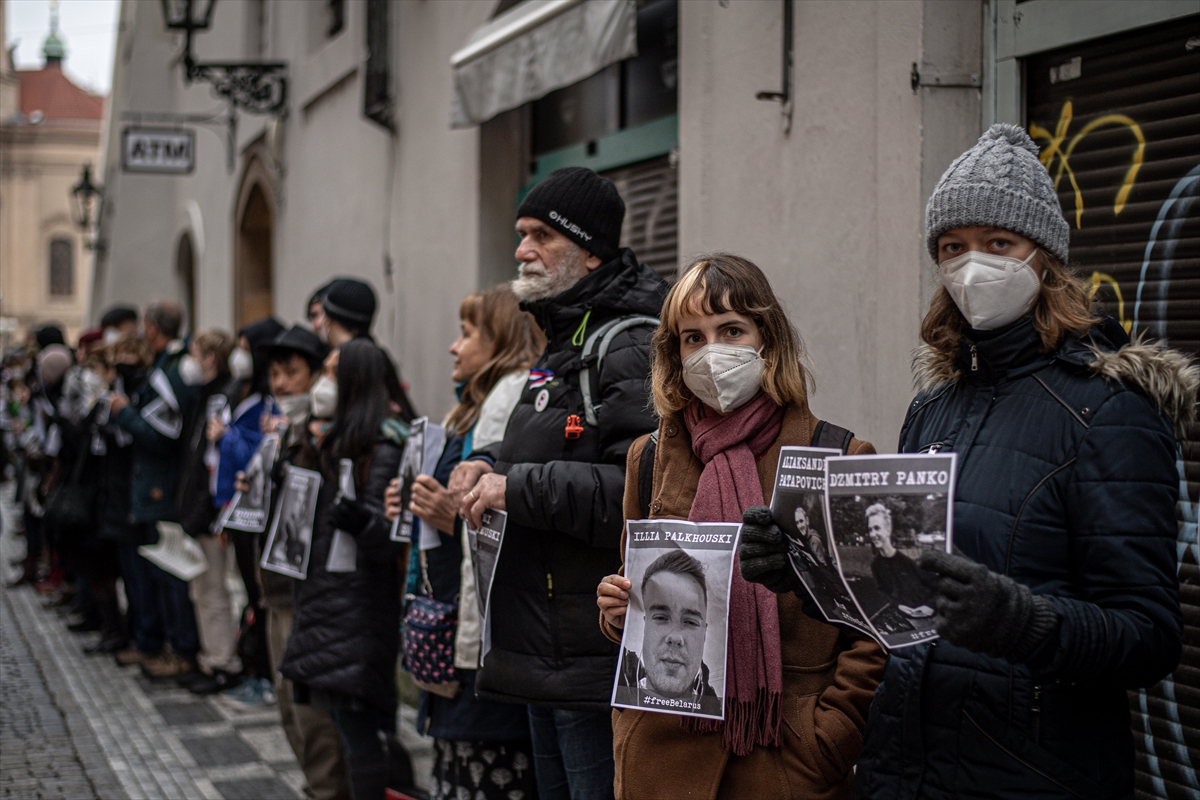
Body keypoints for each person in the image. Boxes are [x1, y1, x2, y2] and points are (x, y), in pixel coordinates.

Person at [847, 124, 1187, 800]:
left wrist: (1025, 623)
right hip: (905, 767)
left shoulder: (1107, 412)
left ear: (1045, 259)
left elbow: (1150, 637)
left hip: (1032, 775)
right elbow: (902, 589)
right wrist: (812, 568)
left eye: (997, 242)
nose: (972, 265)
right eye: (953, 247)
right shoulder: (933, 406)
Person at [597, 254, 886, 799]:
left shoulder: (836, 456)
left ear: (767, 339)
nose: (712, 352)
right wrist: (617, 610)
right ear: (675, 353)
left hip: (781, 760)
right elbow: (633, 599)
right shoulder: (650, 456)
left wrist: (831, 737)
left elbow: (871, 627)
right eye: (693, 337)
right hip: (662, 755)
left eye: (731, 330)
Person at [457, 166, 667, 800]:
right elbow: (547, 447)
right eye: (521, 234)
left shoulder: (628, 344)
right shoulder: (565, 337)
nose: (522, 250)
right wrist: (487, 464)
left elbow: (640, 491)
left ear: (591, 250)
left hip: (592, 650)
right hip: (547, 644)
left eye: (542, 235)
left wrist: (515, 488)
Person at [384, 286, 543, 800]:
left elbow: (513, 523)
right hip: (456, 629)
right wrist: (411, 503)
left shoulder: (512, 403)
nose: (454, 346)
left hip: (486, 643)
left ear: (504, 340)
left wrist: (451, 518)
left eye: (469, 333)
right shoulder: (472, 410)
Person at [280, 338, 414, 800]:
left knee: (359, 729)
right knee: (346, 721)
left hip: (356, 604)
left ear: (357, 381)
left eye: (334, 373)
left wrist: (361, 521)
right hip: (326, 597)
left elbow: (389, 536)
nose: (323, 382)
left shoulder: (384, 443)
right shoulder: (330, 439)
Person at [253, 324, 350, 800]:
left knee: (311, 712)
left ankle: (327, 790)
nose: (280, 384)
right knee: (287, 704)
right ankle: (316, 786)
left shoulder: (323, 436)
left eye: (290, 373)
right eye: (274, 374)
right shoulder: (284, 434)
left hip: (308, 593)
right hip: (276, 588)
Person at [110, 301, 201, 679]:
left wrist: (124, 413)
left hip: (162, 487)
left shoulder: (171, 371)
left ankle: (180, 649)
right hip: (155, 486)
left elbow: (163, 436)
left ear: (151, 328)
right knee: (158, 571)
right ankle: (165, 644)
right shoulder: (165, 366)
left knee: (170, 572)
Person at [174, 329, 243, 695]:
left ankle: (222, 662)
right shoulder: (204, 396)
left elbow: (215, 464)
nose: (191, 362)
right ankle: (210, 657)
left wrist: (215, 513)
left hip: (209, 513)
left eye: (196, 354)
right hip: (199, 510)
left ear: (211, 358)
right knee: (201, 590)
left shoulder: (223, 397)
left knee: (213, 590)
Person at [622, 549, 718, 708]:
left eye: (690, 622)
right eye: (661, 618)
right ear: (644, 626)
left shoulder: (721, 709)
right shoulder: (624, 696)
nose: (675, 637)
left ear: (704, 635)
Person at [863, 503, 936, 614]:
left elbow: (938, 587)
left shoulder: (910, 560)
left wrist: (930, 606)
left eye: (877, 528)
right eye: (870, 529)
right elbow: (882, 595)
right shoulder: (876, 565)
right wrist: (898, 606)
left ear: (888, 530)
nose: (873, 534)